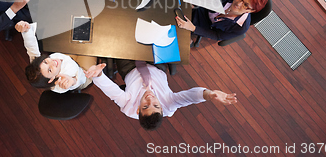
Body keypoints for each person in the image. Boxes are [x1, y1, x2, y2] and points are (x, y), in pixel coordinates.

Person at [84, 60, 237, 130]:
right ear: (162, 108)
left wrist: (98, 76)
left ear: (138, 110)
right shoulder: (169, 105)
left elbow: (111, 90)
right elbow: (190, 97)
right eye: (156, 105)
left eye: (145, 106)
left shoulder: (127, 105)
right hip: (157, 64)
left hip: (129, 67)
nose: (150, 99)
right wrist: (209, 95)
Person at [176, 0, 268, 47]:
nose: (238, 3)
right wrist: (198, 3)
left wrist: (193, 28)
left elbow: (217, 35)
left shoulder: (241, 27)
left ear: (251, 11)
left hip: (207, 26)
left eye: (245, 5)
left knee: (178, 32)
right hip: (205, 9)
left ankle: (189, 39)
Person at [25, 52, 97, 93]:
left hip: (72, 61)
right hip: (83, 75)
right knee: (90, 50)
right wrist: (73, 81)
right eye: (50, 70)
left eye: (45, 62)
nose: (52, 63)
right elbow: (80, 80)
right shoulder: (61, 83)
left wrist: (26, 31)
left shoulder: (52, 60)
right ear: (51, 79)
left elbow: (32, 48)